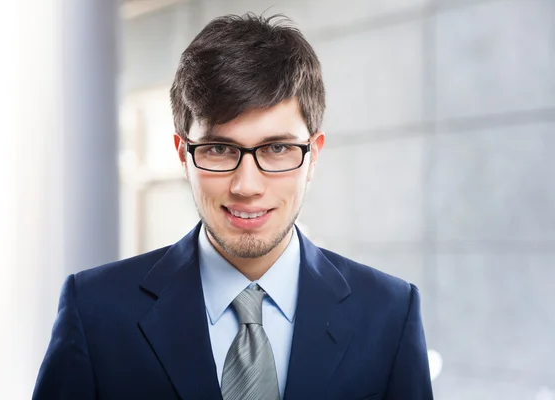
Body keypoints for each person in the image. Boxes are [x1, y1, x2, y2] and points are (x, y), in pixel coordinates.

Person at [33, 13, 433, 400]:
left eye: (277, 148)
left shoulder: (389, 314)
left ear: (313, 155)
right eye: (219, 149)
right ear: (182, 154)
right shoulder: (95, 311)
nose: (247, 185)